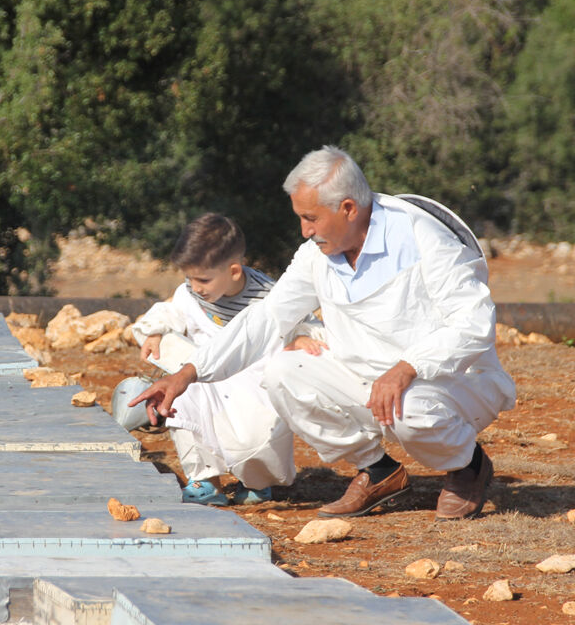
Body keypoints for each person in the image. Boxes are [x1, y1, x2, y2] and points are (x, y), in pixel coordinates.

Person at [131, 147, 516, 519]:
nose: (305, 230)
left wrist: (407, 367)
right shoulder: (317, 254)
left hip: (447, 381)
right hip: (365, 376)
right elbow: (267, 317)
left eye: (311, 218)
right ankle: (379, 472)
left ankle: (468, 466)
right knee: (282, 372)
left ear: (348, 208)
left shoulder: (422, 238)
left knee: (410, 408)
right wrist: (188, 373)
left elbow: (473, 323)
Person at [130, 213, 322, 506]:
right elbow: (172, 311)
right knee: (182, 404)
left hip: (252, 378)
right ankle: (204, 480)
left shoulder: (269, 296)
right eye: (189, 278)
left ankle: (259, 482)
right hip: (201, 379)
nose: (195, 287)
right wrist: (155, 332)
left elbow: (300, 320)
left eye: (203, 279)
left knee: (256, 433)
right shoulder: (192, 294)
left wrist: (301, 336)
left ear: (234, 271)